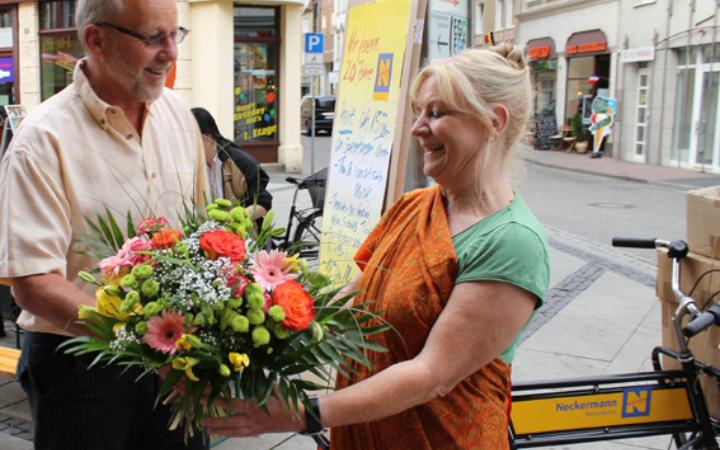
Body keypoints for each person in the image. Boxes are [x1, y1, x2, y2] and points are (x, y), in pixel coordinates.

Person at [202, 43, 551, 449]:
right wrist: (245, 324)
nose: (418, 127)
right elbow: (350, 305)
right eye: (418, 111)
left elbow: (432, 375)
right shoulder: (411, 206)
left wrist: (304, 413)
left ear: (493, 121)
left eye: (436, 113)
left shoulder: (512, 243)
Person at [0, 0, 209, 448]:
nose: (170, 52)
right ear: (96, 39)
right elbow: (33, 282)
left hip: (176, 357)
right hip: (81, 365)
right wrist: (141, 340)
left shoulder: (179, 117)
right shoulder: (42, 139)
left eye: (176, 35)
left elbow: (203, 234)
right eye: (154, 37)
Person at [191, 107, 272, 220]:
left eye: (192, 140)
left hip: (241, 233)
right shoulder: (193, 164)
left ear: (208, 136)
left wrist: (234, 221)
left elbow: (264, 203)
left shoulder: (239, 161)